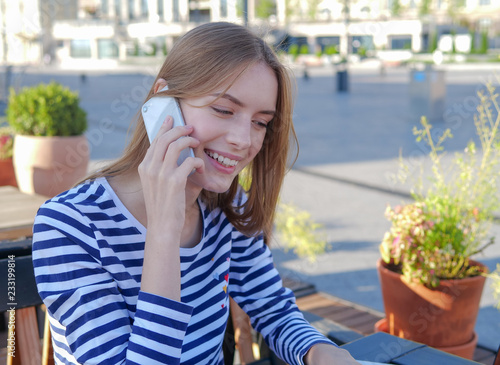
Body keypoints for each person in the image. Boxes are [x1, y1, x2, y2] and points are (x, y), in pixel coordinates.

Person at [32, 22, 360, 365]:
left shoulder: (227, 207)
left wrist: (320, 353)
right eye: (224, 110)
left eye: (260, 122)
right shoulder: (69, 226)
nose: (244, 140)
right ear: (163, 102)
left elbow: (272, 308)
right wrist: (164, 231)